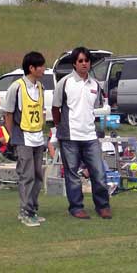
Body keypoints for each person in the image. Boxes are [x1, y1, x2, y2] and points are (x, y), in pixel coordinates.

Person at [52, 46, 112, 219]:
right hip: (70, 136)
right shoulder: (65, 83)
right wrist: (60, 127)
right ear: (74, 64)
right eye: (80, 61)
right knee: (72, 175)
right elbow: (55, 108)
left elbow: (96, 108)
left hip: (90, 136)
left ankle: (103, 206)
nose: (84, 64)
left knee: (98, 172)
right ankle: (76, 207)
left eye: (87, 60)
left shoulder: (95, 84)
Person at [3, 51, 48, 227]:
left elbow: (41, 111)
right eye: (41, 66)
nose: (44, 69)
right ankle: (25, 212)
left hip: (38, 137)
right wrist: (12, 137)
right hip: (23, 138)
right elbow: (8, 114)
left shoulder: (40, 87)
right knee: (27, 175)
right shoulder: (16, 87)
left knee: (37, 175)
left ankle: (33, 209)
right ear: (31, 68)